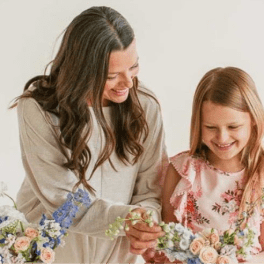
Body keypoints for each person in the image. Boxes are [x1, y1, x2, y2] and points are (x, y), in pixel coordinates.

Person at [12, 6, 167, 264]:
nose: (128, 82)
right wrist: (128, 219)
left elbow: (151, 189)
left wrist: (145, 221)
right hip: (51, 254)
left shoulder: (145, 107)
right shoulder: (38, 108)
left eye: (134, 66)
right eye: (112, 75)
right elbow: (63, 201)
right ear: (82, 71)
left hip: (116, 257)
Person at [144, 67, 264, 263]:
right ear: (198, 123)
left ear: (254, 121)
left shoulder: (260, 175)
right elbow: (168, 244)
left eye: (233, 127)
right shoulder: (181, 172)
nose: (222, 137)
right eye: (211, 127)